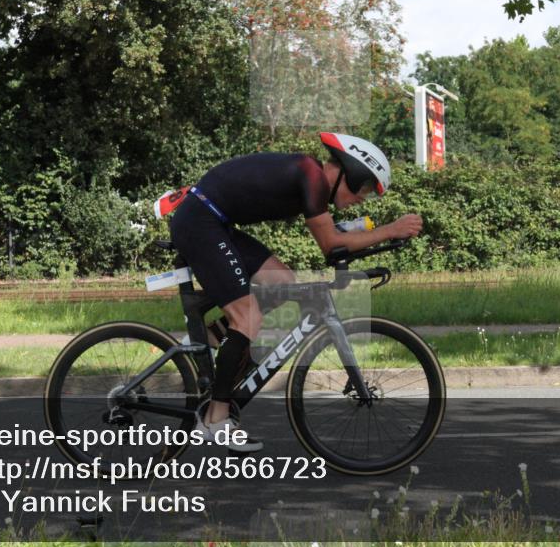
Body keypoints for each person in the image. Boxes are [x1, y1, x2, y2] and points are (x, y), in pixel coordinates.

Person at [168, 133, 423, 452]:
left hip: (215, 222)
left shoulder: (311, 180)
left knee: (284, 284)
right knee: (248, 318)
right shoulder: (312, 177)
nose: (363, 199)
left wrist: (374, 242)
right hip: (201, 222)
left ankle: (208, 340)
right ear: (351, 173)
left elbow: (334, 245)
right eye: (366, 190)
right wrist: (390, 230)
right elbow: (331, 243)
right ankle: (215, 419)